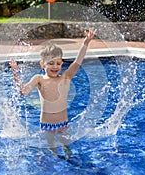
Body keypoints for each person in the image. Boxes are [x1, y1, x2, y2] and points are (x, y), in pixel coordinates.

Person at [10, 29, 96, 159]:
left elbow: (77, 62)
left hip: (63, 124)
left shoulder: (65, 77)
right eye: (50, 63)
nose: (55, 66)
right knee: (53, 149)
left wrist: (86, 43)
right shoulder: (39, 79)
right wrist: (16, 74)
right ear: (42, 64)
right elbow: (23, 91)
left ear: (62, 63)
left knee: (67, 147)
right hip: (47, 126)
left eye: (58, 63)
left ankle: (70, 164)